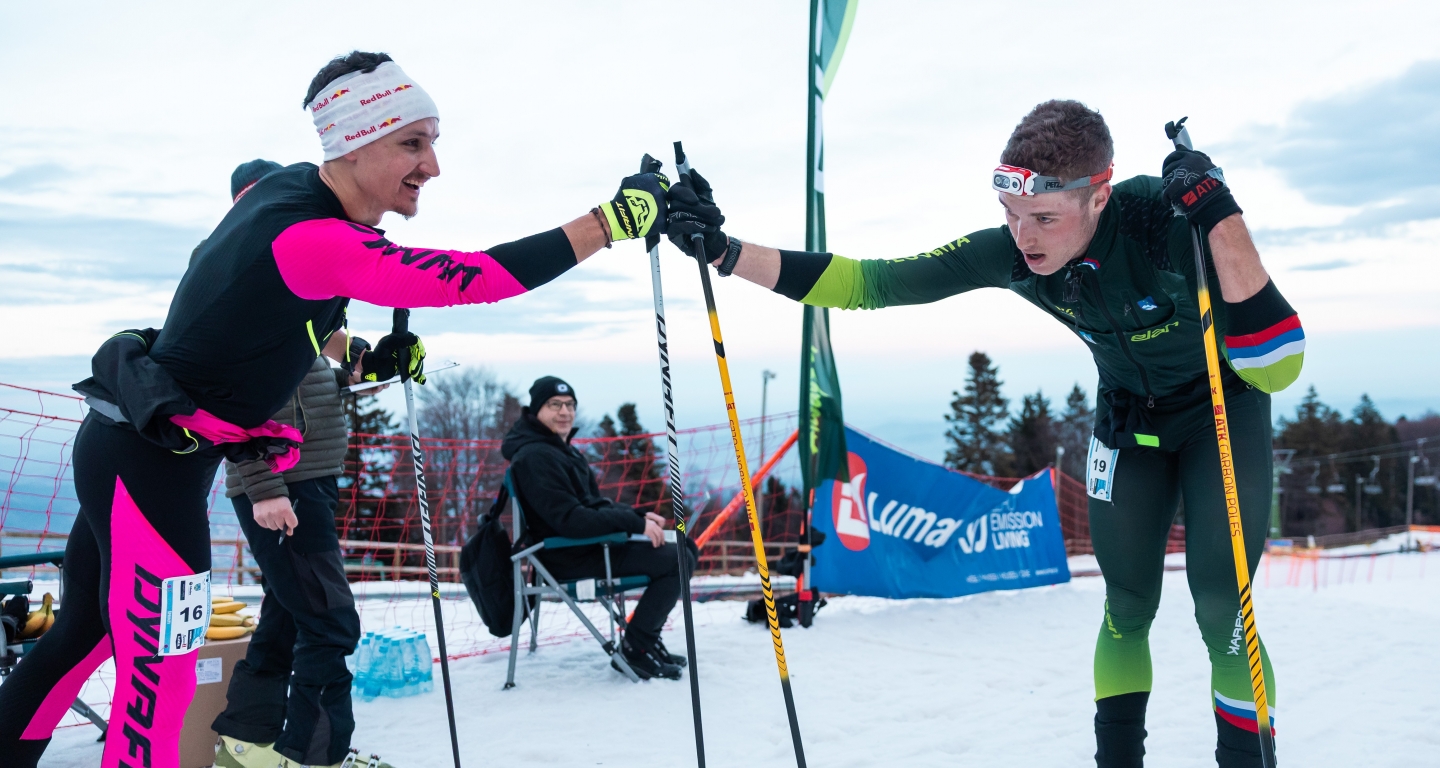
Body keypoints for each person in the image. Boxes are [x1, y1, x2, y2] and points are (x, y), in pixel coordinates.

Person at [0, 50, 669, 768]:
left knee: (88, 632)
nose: (433, 165)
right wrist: (613, 221)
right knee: (161, 674)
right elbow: (475, 277)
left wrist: (360, 358)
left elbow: (288, 312)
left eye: (433, 141)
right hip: (150, 467)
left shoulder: (295, 195)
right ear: (353, 143)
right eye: (412, 143)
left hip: (134, 448)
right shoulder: (316, 235)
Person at [665, 100, 1304, 768]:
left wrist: (1219, 217)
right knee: (1126, 605)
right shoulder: (1016, 253)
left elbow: (1280, 365)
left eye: (1044, 218)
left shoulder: (1160, 224)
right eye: (1011, 213)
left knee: (1221, 610)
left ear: (1098, 198)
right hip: (1128, 422)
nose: (1023, 236)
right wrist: (727, 253)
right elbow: (870, 283)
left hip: (1221, 417)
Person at [501, 376, 695, 680]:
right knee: (676, 560)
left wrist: (638, 514)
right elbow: (572, 520)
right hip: (568, 557)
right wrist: (634, 523)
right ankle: (636, 648)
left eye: (570, 405)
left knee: (685, 547)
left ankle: (643, 639)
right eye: (554, 405)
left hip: (587, 547)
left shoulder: (558, 450)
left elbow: (591, 505)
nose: (564, 411)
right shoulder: (536, 457)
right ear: (536, 410)